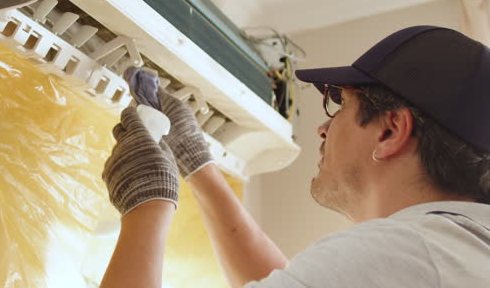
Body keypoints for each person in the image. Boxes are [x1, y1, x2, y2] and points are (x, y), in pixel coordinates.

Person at [100, 25, 490, 287]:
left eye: (339, 104)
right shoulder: (456, 253)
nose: (323, 129)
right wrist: (197, 163)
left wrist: (147, 208)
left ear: (390, 130)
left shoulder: (405, 254)